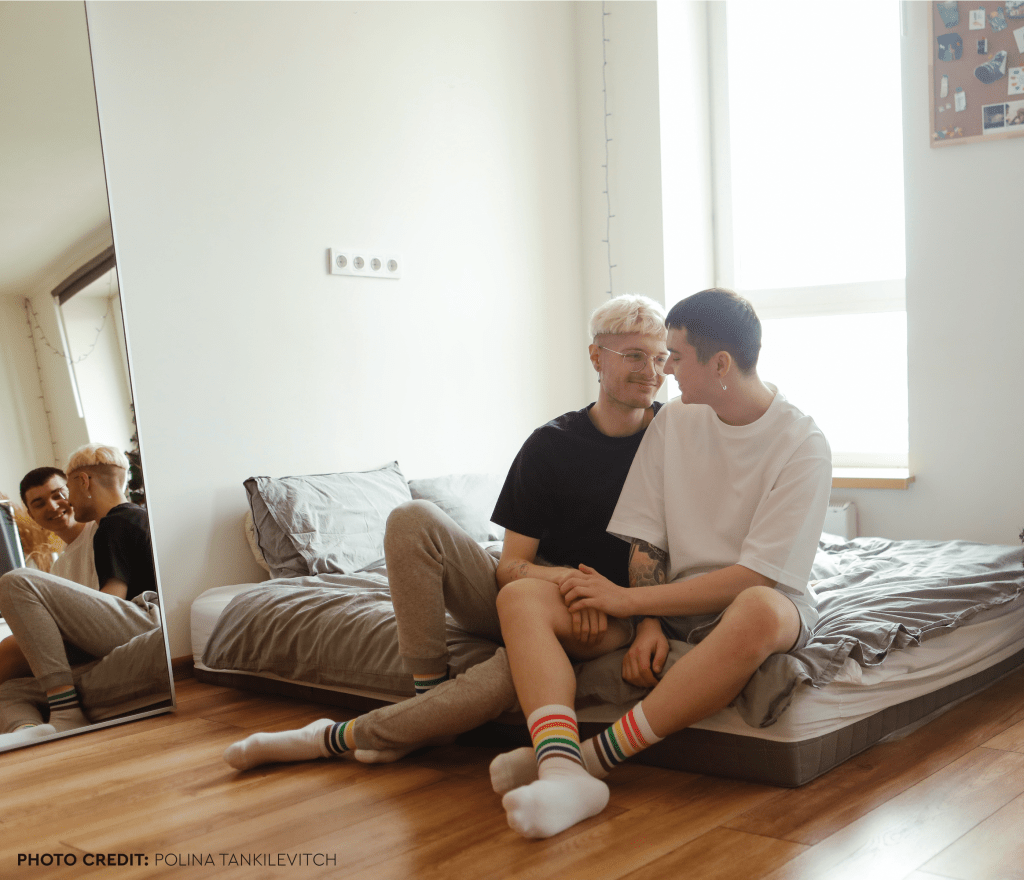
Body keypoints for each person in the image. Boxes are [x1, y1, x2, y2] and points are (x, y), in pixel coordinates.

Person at [223, 293, 670, 770]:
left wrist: (633, 612)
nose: (651, 371)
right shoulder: (550, 445)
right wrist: (566, 580)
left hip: (606, 614)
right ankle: (427, 687)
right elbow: (510, 567)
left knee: (500, 682)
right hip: (536, 589)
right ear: (596, 357)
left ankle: (331, 738)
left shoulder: (673, 435)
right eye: (634, 356)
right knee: (412, 516)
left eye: (661, 358)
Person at [491, 288, 832, 838]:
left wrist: (630, 602)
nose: (663, 371)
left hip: (758, 602)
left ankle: (595, 760)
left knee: (761, 609)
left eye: (673, 356)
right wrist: (647, 619)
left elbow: (757, 576)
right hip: (667, 602)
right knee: (520, 594)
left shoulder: (802, 443)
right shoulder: (674, 421)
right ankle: (558, 765)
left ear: (719, 364)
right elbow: (646, 539)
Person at [0, 444, 161, 746]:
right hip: (100, 638)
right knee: (8, 691)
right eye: (38, 503)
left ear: (81, 483)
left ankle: (65, 710)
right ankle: (26, 733)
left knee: (14, 583)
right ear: (32, 515)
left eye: (62, 493)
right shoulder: (59, 568)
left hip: (132, 621)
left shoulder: (107, 525)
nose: (57, 504)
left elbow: (113, 600)